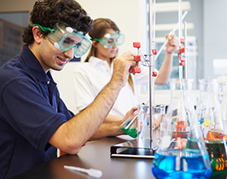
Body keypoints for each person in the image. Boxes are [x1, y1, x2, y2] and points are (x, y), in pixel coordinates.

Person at [0, 1, 138, 178]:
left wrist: (121, 126)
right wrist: (116, 82)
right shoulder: (14, 80)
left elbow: (74, 127)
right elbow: (70, 140)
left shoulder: (44, 77)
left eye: (76, 46)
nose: (70, 55)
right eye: (66, 42)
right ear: (38, 34)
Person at [73, 18, 178, 123]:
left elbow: (161, 79)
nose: (115, 46)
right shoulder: (83, 71)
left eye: (116, 40)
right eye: (109, 41)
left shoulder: (124, 65)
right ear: (95, 43)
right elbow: (86, 111)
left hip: (132, 133)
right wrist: (128, 122)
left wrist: (169, 52)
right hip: (109, 135)